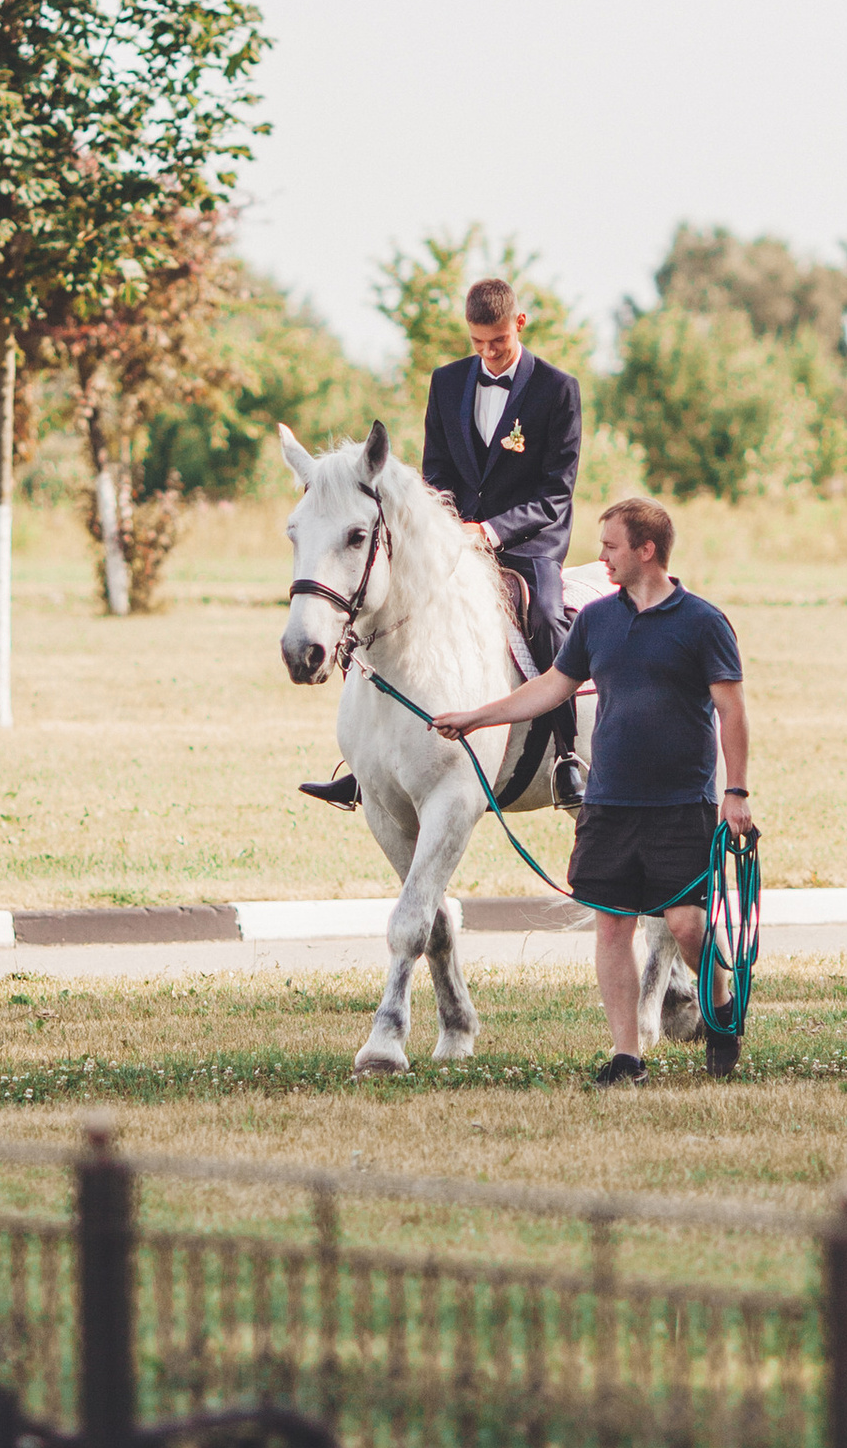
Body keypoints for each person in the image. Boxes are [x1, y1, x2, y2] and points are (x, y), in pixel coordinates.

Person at [430, 493, 751, 1085]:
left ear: (646, 550)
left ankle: (721, 1007)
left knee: (686, 925)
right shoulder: (597, 620)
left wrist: (736, 793)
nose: (600, 557)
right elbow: (551, 688)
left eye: (611, 546)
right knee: (612, 924)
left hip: (683, 802)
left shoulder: (703, 623)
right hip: (608, 802)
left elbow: (731, 711)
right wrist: (475, 718)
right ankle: (627, 1056)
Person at [304, 270, 584, 812]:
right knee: (371, 606)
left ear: (519, 323)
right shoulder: (447, 382)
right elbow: (436, 473)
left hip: (527, 546)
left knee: (549, 619)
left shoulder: (558, 390)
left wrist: (493, 531)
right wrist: (445, 530)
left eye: (499, 341)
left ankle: (568, 756)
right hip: (452, 541)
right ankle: (365, 764)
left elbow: (557, 494)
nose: (490, 353)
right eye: (478, 343)